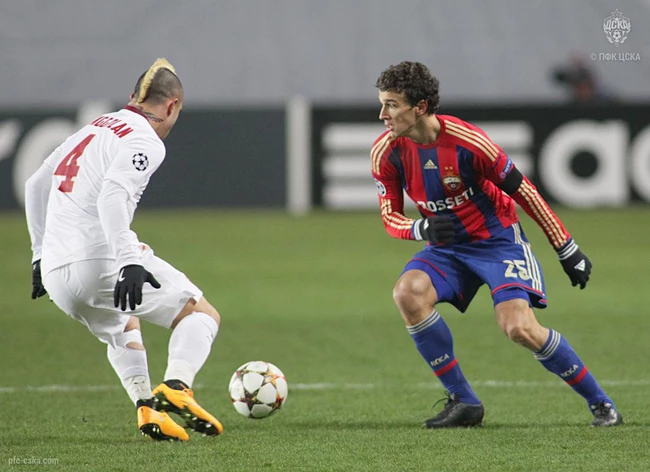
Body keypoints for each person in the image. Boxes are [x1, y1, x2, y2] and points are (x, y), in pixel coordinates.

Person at [371, 61, 622, 428]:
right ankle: (464, 401)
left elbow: (525, 192)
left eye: (392, 105)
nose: (382, 114)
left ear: (420, 107)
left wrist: (566, 248)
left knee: (519, 328)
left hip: (498, 242)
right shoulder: (386, 152)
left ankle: (602, 404)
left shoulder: (469, 143)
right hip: (447, 248)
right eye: (382, 103)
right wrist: (420, 228)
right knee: (407, 293)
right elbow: (390, 217)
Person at [25, 58, 223, 441]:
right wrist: (128, 261)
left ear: (134, 96)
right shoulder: (146, 140)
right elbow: (112, 196)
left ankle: (147, 409)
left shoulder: (95, 126)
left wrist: (38, 255)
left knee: (122, 325)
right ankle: (177, 387)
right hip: (99, 258)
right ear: (172, 105)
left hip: (55, 272)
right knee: (201, 315)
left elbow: (36, 184)